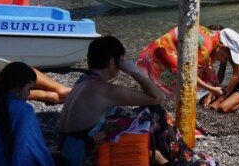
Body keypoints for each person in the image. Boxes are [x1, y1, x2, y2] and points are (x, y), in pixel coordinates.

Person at [58, 35, 165, 165]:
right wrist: (133, 71)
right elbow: (159, 97)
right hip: (81, 157)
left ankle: (158, 155)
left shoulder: (83, 80)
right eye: (121, 61)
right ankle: (180, 158)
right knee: (155, 112)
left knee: (123, 112)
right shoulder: (105, 90)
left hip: (66, 148)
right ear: (112, 62)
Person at [136, 24, 227, 107]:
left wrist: (217, 85)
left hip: (149, 53)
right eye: (226, 57)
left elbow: (208, 67)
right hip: (156, 58)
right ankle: (153, 101)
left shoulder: (208, 35)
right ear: (222, 47)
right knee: (158, 97)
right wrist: (212, 89)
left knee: (202, 71)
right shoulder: (206, 49)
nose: (224, 61)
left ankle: (154, 101)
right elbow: (189, 74)